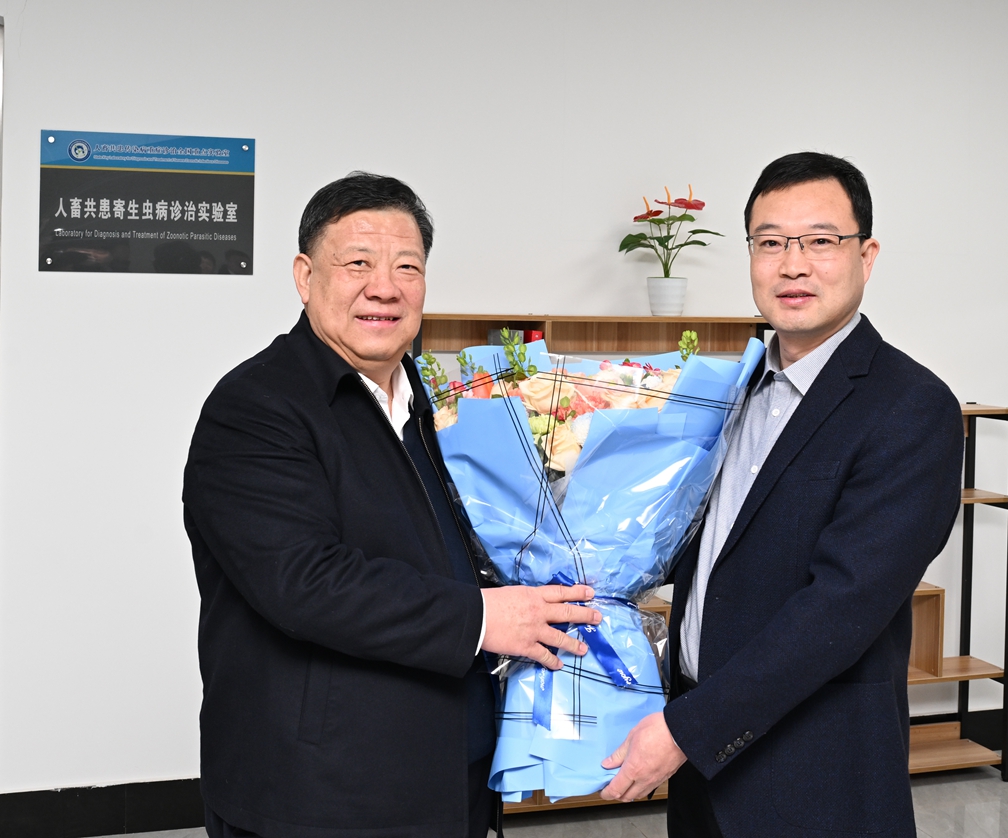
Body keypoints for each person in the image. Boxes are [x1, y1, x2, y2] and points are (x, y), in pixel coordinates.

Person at [183, 172, 601, 838]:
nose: (385, 287)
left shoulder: (436, 407)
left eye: (407, 267)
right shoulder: (256, 407)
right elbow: (304, 581)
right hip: (322, 797)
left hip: (451, 776)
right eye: (358, 263)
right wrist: (483, 617)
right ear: (305, 276)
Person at [599, 152, 965, 838]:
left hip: (814, 777)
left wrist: (687, 730)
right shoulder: (729, 391)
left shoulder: (911, 407)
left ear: (866, 256)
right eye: (771, 243)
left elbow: (841, 610)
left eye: (821, 240)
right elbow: (699, 545)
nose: (793, 265)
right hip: (703, 771)